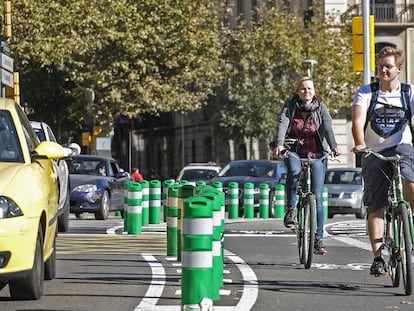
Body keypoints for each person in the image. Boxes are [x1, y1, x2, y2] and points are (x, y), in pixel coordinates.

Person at [351, 46, 414, 276]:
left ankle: (409, 223)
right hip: (374, 151)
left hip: (402, 147)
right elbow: (358, 122)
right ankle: (378, 257)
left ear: (399, 68)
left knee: (411, 182)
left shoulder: (409, 92)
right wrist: (361, 145)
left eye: (388, 66)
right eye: (380, 67)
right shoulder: (366, 92)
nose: (383, 70)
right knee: (376, 206)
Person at [274, 76, 340, 255]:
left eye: (309, 88)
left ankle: (318, 239)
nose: (306, 91)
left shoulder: (321, 108)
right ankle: (290, 209)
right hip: (293, 150)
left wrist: (334, 146)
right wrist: (279, 144)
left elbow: (327, 128)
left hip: (317, 152)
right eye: (303, 88)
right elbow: (282, 124)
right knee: (294, 172)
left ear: (314, 91)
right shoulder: (290, 107)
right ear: (297, 91)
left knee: (317, 196)